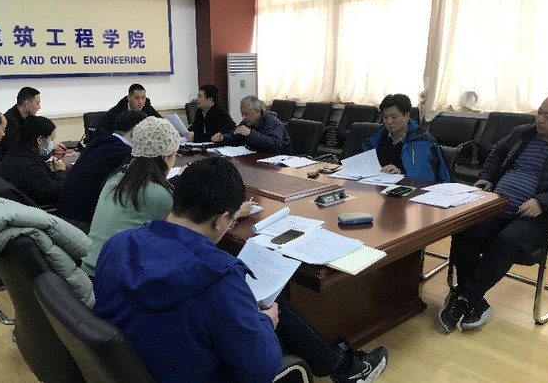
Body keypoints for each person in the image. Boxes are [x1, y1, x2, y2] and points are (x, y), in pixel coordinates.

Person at [93, 156, 388, 383]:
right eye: (232, 220)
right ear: (221, 220)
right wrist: (265, 322)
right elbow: (263, 368)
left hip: (135, 366)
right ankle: (344, 367)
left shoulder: (118, 244)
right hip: (194, 372)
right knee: (272, 312)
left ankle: (340, 364)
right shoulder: (218, 278)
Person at [439, 93, 548, 333]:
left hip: (535, 216)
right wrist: (487, 177)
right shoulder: (523, 133)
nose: (540, 119)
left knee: (508, 241)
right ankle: (474, 301)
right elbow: (497, 152)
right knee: (465, 228)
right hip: (498, 203)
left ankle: (464, 296)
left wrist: (542, 201)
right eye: (539, 112)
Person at [81, 116, 180, 277]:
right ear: (164, 157)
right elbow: (187, 233)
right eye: (175, 154)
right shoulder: (160, 195)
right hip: (112, 279)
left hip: (89, 269)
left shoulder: (115, 178)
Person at [56, 110, 147, 225]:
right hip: (86, 223)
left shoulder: (98, 142)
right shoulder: (125, 154)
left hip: (64, 217)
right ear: (134, 132)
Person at [362, 94, 451, 182]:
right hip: (378, 185)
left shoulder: (422, 142)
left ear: (407, 116)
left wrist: (401, 172)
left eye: (394, 117)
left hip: (409, 187)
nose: (389, 121)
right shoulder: (377, 139)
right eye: (385, 117)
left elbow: (426, 176)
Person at [0, 115, 67, 206]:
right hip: (40, 208)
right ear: (40, 140)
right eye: (51, 140)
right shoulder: (30, 166)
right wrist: (60, 171)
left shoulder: (15, 153)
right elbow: (58, 194)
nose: (52, 144)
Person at [211, 95, 292, 154]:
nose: (243, 117)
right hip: (257, 157)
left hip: (279, 161)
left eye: (246, 114)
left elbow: (275, 145)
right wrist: (222, 138)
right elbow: (236, 137)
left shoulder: (274, 123)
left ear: (257, 111)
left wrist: (250, 133)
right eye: (242, 114)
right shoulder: (246, 123)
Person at [96, 83, 162, 136]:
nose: (140, 102)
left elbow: (162, 123)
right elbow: (101, 129)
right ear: (129, 97)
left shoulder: (148, 108)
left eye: (143, 97)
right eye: (137, 98)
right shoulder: (118, 110)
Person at [0, 87, 41, 153]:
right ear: (27, 104)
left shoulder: (31, 118)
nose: (39, 107)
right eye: (37, 103)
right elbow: (12, 150)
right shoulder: (8, 122)